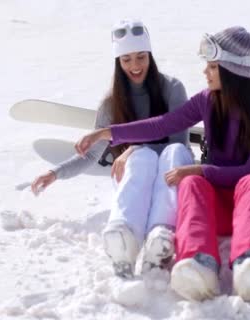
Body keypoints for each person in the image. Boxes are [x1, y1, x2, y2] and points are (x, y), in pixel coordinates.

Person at [75, 26, 250, 302]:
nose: (205, 72)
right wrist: (107, 133)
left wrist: (199, 168)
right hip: (222, 208)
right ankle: (199, 263)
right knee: (193, 183)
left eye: (212, 66)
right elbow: (163, 124)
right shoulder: (208, 100)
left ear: (233, 72)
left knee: (249, 181)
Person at [30, 19, 194, 279]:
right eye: (126, 59)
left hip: (170, 173)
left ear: (150, 55)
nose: (135, 66)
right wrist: (55, 173)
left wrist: (134, 146)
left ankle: (161, 238)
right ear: (118, 62)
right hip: (136, 177)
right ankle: (122, 237)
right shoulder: (111, 104)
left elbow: (178, 144)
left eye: (141, 56)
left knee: (165, 154)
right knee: (140, 159)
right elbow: (93, 154)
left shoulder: (172, 88)